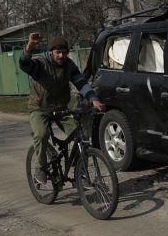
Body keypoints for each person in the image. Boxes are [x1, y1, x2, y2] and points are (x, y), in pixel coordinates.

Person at [19, 33, 104, 185]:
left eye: (64, 53)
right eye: (58, 52)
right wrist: (30, 46)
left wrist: (93, 99)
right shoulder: (41, 64)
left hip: (61, 109)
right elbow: (25, 64)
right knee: (42, 134)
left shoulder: (69, 65)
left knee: (81, 136)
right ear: (51, 51)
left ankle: (80, 171)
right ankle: (40, 168)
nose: (61, 56)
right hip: (40, 109)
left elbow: (81, 83)